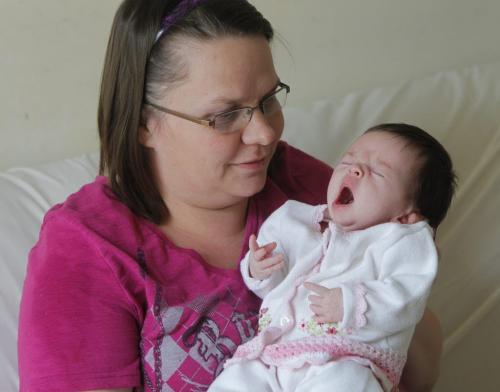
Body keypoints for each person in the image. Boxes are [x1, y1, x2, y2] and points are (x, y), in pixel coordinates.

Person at [17, 1, 443, 391]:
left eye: (268, 100)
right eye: (224, 116)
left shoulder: (306, 187)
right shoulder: (88, 250)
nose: (265, 134)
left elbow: (413, 357)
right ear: (143, 123)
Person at [208, 123, 457, 392]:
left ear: (406, 217)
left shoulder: (402, 242)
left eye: (377, 172)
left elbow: (406, 299)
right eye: (349, 160)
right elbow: (276, 283)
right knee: (238, 378)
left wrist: (350, 302)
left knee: (346, 383)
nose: (354, 169)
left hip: (348, 360)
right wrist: (260, 269)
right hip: (272, 358)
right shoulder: (296, 221)